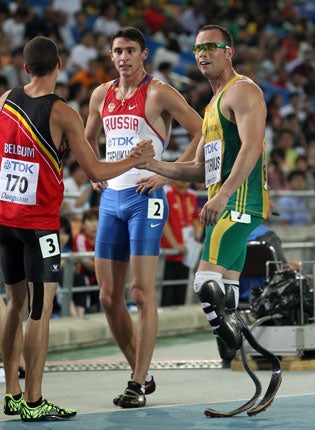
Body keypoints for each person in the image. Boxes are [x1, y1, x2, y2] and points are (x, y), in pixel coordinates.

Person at [0, 35, 154, 422]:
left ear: (25, 68)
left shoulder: (5, 100)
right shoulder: (62, 113)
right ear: (59, 66)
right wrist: (135, 158)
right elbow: (96, 172)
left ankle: (12, 394)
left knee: (14, 303)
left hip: (6, 220)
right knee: (40, 309)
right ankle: (34, 402)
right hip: (39, 227)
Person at [84, 26, 203, 408]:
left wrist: (166, 171)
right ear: (111, 56)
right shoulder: (101, 94)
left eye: (130, 51)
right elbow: (86, 139)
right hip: (111, 199)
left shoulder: (158, 92)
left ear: (143, 54)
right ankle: (142, 371)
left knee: (140, 291)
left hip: (144, 199)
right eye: (117, 51)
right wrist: (93, 172)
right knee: (106, 296)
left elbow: (202, 130)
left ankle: (136, 383)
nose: (123, 57)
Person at [139, 24, 269, 366]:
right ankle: (234, 349)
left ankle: (230, 341)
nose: (203, 54)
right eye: (198, 49)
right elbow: (200, 170)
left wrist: (225, 195)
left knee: (204, 281)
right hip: (224, 203)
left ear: (229, 52)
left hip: (235, 202)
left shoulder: (243, 91)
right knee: (226, 288)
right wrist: (156, 167)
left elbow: (253, 146)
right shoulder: (212, 105)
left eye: (211, 46)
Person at [160, 180, 202, 306]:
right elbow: (163, 221)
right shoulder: (166, 193)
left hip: (187, 252)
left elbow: (196, 218)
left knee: (181, 292)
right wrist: (175, 245)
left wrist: (196, 236)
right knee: (166, 292)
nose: (185, 179)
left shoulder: (192, 195)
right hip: (168, 253)